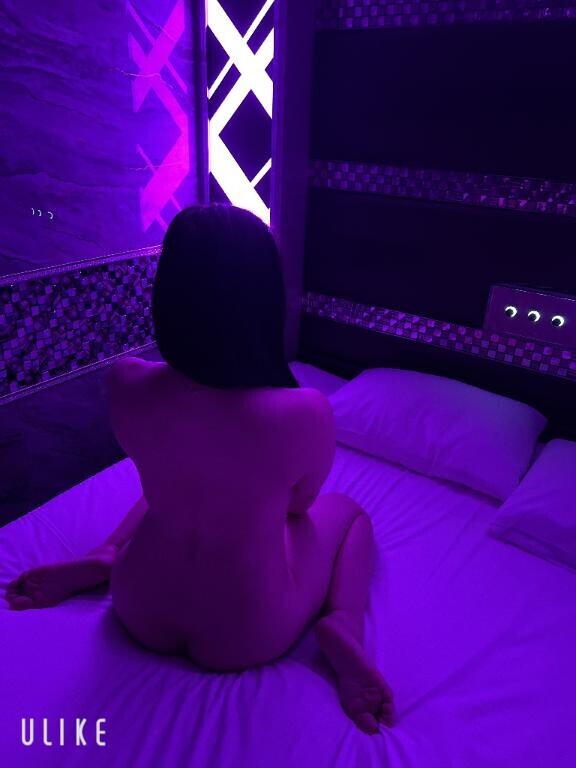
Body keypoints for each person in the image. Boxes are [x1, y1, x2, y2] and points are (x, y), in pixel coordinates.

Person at [5, 205, 394, 734]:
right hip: (245, 629)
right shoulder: (305, 412)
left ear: (169, 296)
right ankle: (343, 624)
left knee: (175, 481)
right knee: (346, 513)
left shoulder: (126, 381)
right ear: (263, 301)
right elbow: (298, 509)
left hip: (138, 601)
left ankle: (105, 556)